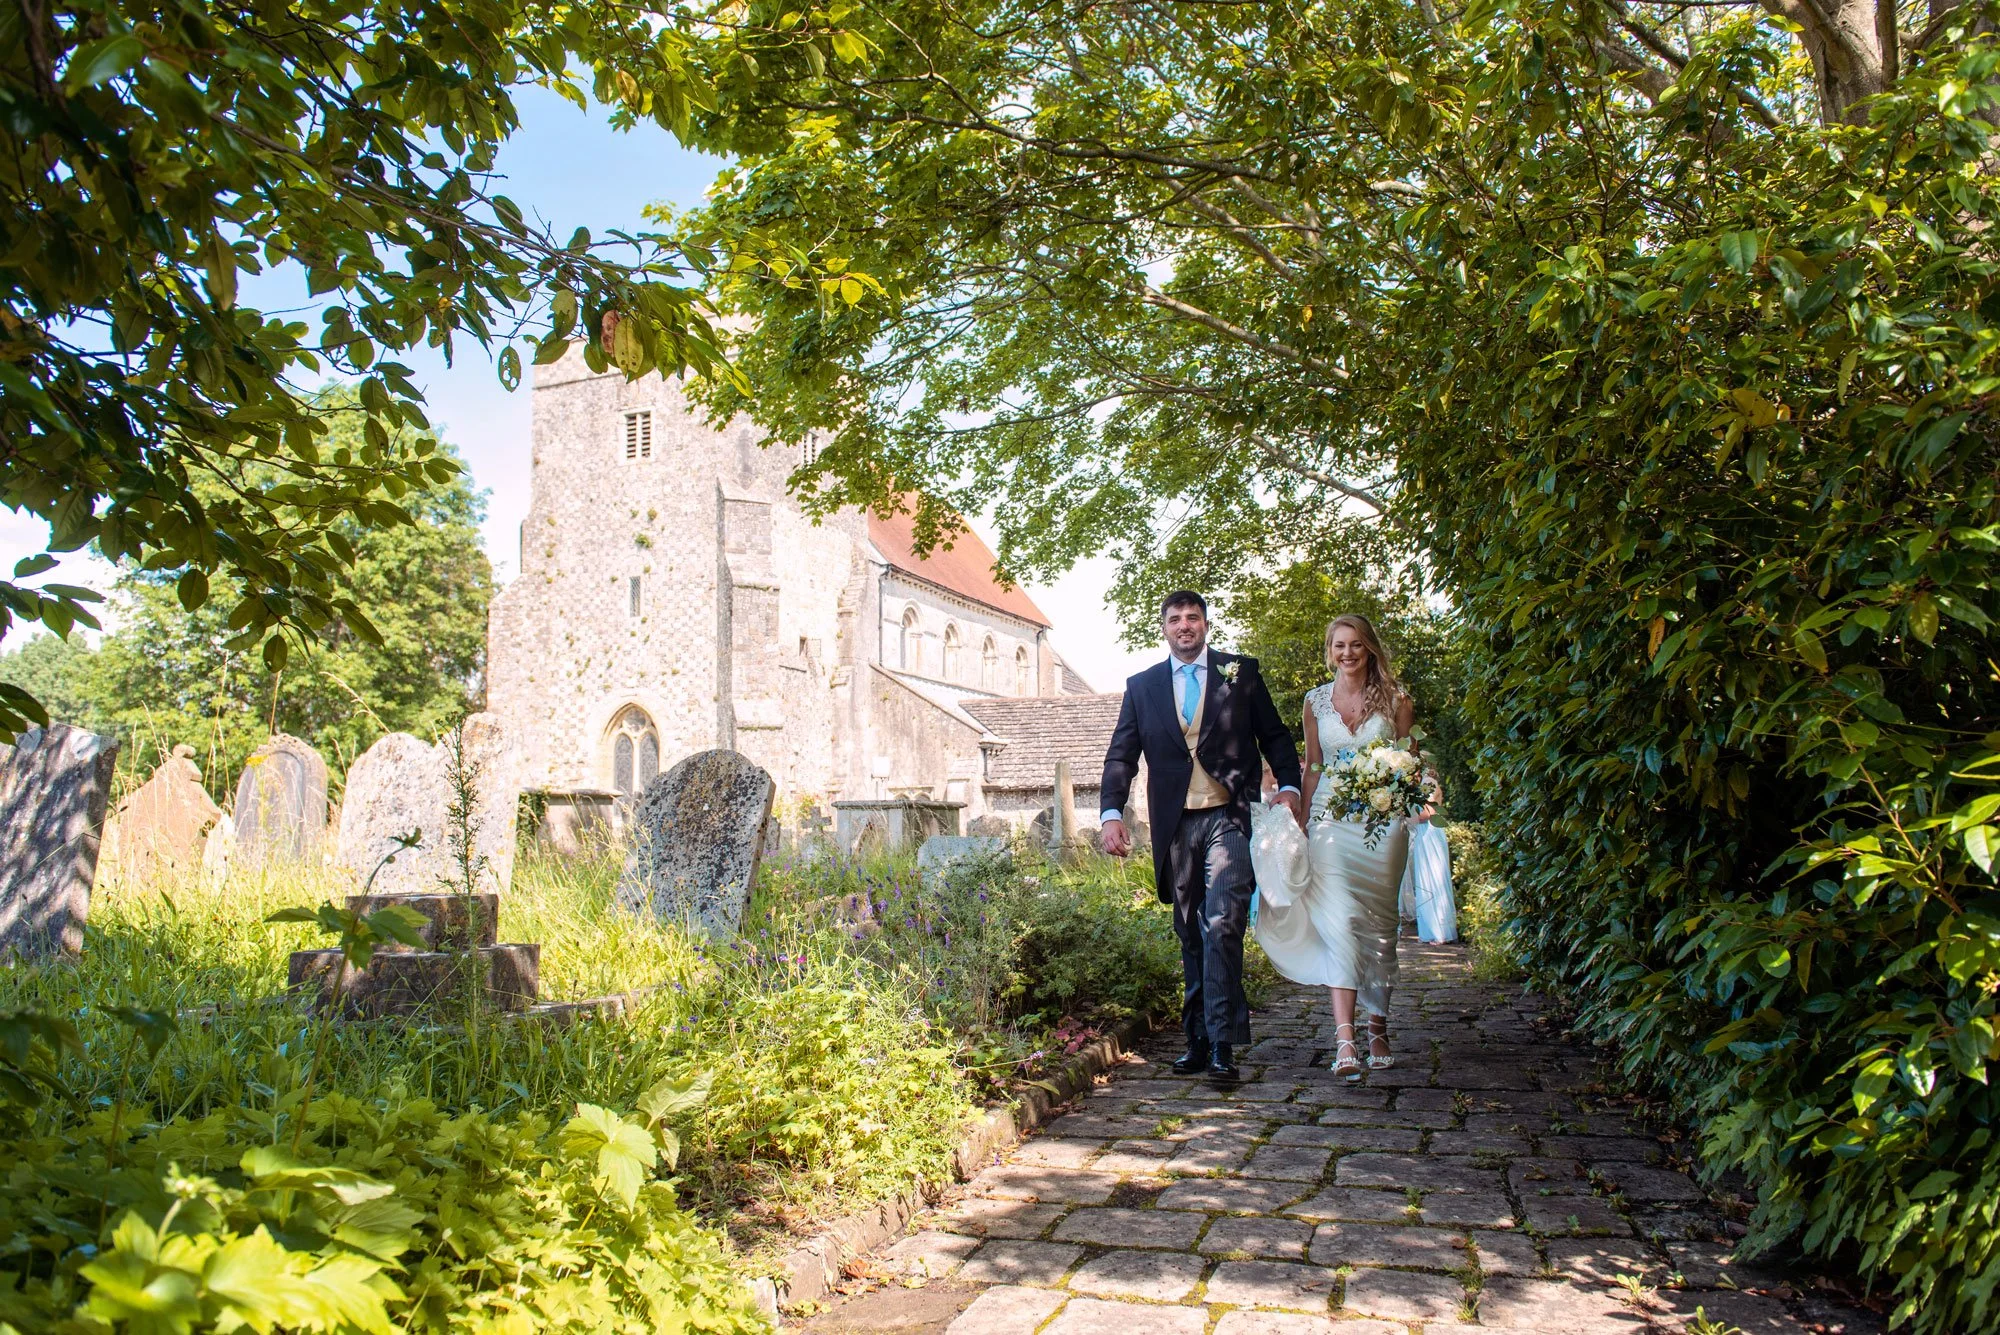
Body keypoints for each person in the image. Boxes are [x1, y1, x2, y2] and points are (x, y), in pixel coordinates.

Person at [1100, 591, 1303, 1082]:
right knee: (1190, 927)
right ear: (1164, 628)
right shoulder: (1142, 686)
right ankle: (1196, 1039)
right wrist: (1111, 811)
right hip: (1176, 822)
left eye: (1193, 617)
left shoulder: (1241, 673)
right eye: (1175, 619)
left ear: (1206, 624)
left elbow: (1274, 735)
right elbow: (1122, 754)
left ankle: (1222, 1046)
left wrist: (1290, 786)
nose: (1185, 626)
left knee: (1223, 921)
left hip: (1229, 816)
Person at [1251, 614, 1416, 1081]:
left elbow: (1409, 760)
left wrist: (1394, 790)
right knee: (1340, 917)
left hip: (1382, 822)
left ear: (1370, 649)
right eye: (1340, 645)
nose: (1348, 653)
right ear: (1330, 650)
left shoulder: (1398, 699)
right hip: (1328, 818)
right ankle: (1345, 1039)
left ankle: (1377, 1025)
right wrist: (1301, 818)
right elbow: (1314, 766)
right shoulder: (1315, 702)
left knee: (1379, 926)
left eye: (1357, 645)